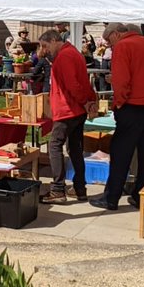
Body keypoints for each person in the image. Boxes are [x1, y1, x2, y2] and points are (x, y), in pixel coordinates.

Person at [91, 23, 144, 211]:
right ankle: (140, 196)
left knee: (121, 153)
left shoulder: (123, 46)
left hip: (133, 107)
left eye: (109, 40)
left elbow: (122, 81)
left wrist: (119, 102)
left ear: (115, 34)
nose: (109, 46)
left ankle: (111, 197)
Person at [39, 29, 97, 203]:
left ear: (55, 40)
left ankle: (58, 189)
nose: (44, 49)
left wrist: (86, 102)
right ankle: (80, 188)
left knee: (55, 146)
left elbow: (73, 85)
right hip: (76, 110)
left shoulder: (64, 57)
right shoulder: (74, 53)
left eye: (45, 45)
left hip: (67, 110)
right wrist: (89, 101)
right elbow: (83, 82)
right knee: (75, 148)